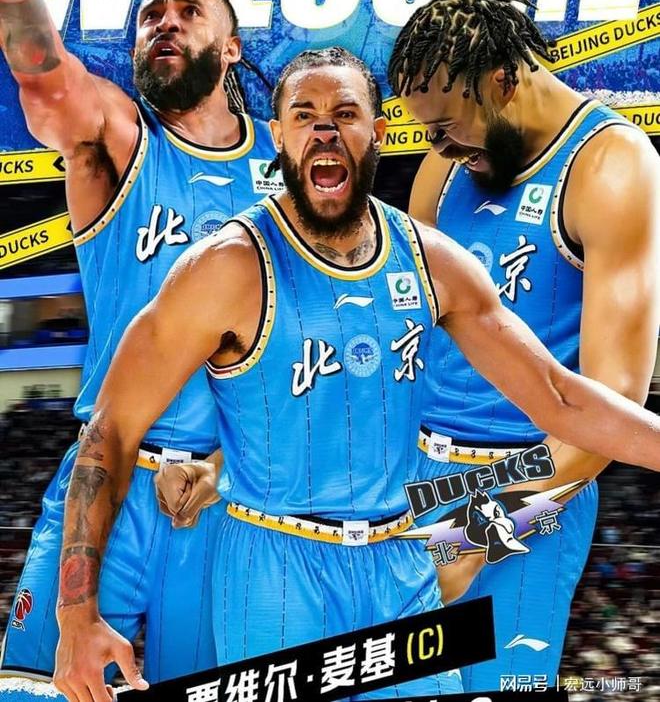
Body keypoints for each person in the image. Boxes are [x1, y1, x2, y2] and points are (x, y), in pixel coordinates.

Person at [51, 46, 660, 702]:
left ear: (380, 132)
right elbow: (110, 432)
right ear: (278, 135)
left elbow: (562, 397)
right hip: (275, 571)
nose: (325, 130)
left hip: (399, 565)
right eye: (304, 115)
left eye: (345, 113)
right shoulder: (223, 268)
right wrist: (76, 616)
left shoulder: (434, 264)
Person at [0, 0, 276, 688]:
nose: (165, 22)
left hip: (230, 498)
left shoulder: (293, 170)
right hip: (109, 479)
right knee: (39, 688)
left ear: (231, 48)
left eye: (188, 10)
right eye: (151, 14)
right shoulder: (118, 140)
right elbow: (48, 84)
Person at [387, 0, 660, 691]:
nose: (438, 149)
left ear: (503, 80)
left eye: (447, 130)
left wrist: (475, 532)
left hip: (534, 483)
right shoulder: (442, 171)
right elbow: (402, 333)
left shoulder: (612, 167)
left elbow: (611, 409)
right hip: (419, 475)